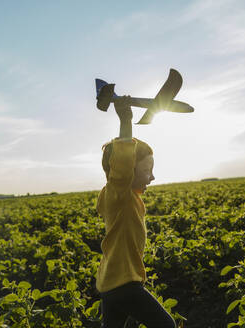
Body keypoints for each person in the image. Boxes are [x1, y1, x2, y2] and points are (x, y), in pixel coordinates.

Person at [96, 96, 176, 328]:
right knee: (166, 325)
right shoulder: (118, 194)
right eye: (147, 170)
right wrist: (126, 122)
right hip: (123, 284)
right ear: (128, 170)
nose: (152, 176)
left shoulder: (127, 198)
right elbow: (121, 165)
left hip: (112, 283)